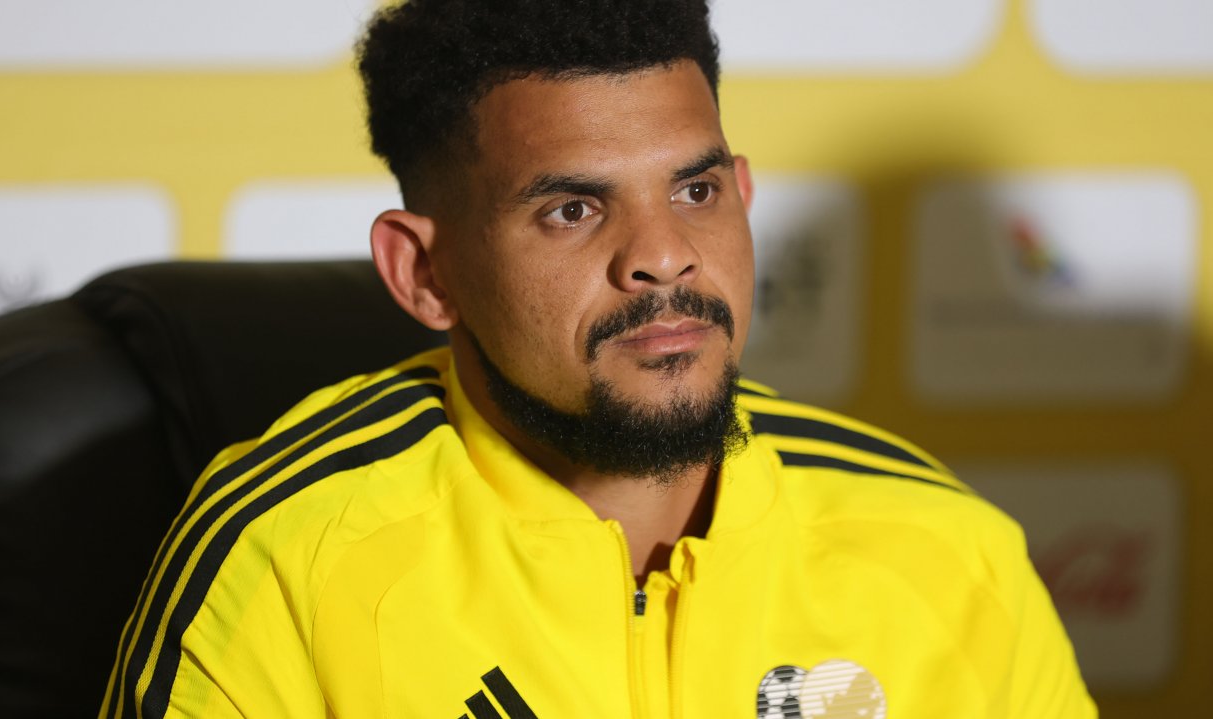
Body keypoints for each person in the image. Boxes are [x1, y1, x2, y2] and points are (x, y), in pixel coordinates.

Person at [101, 1, 1096, 716]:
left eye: (696, 192)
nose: (662, 254)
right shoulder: (284, 559)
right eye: (573, 209)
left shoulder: (951, 547)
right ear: (424, 272)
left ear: (742, 194)